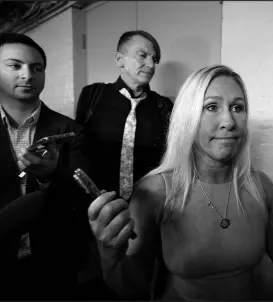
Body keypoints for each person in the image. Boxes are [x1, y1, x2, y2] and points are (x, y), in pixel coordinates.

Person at [88, 64, 273, 301]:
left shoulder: (260, 186)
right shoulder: (155, 192)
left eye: (238, 107)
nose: (229, 122)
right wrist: (109, 252)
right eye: (212, 107)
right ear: (189, 117)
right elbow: (131, 289)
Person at [74, 30, 173, 299]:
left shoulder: (164, 107)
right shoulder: (93, 96)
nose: (151, 64)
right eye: (142, 55)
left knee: (142, 284)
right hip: (99, 213)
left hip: (148, 217)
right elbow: (78, 151)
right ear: (120, 59)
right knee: (100, 285)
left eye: (155, 59)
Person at [0, 32, 88, 301]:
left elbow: (84, 198)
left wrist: (51, 175)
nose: (27, 75)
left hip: (54, 259)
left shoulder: (71, 130)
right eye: (15, 65)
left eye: (37, 68)